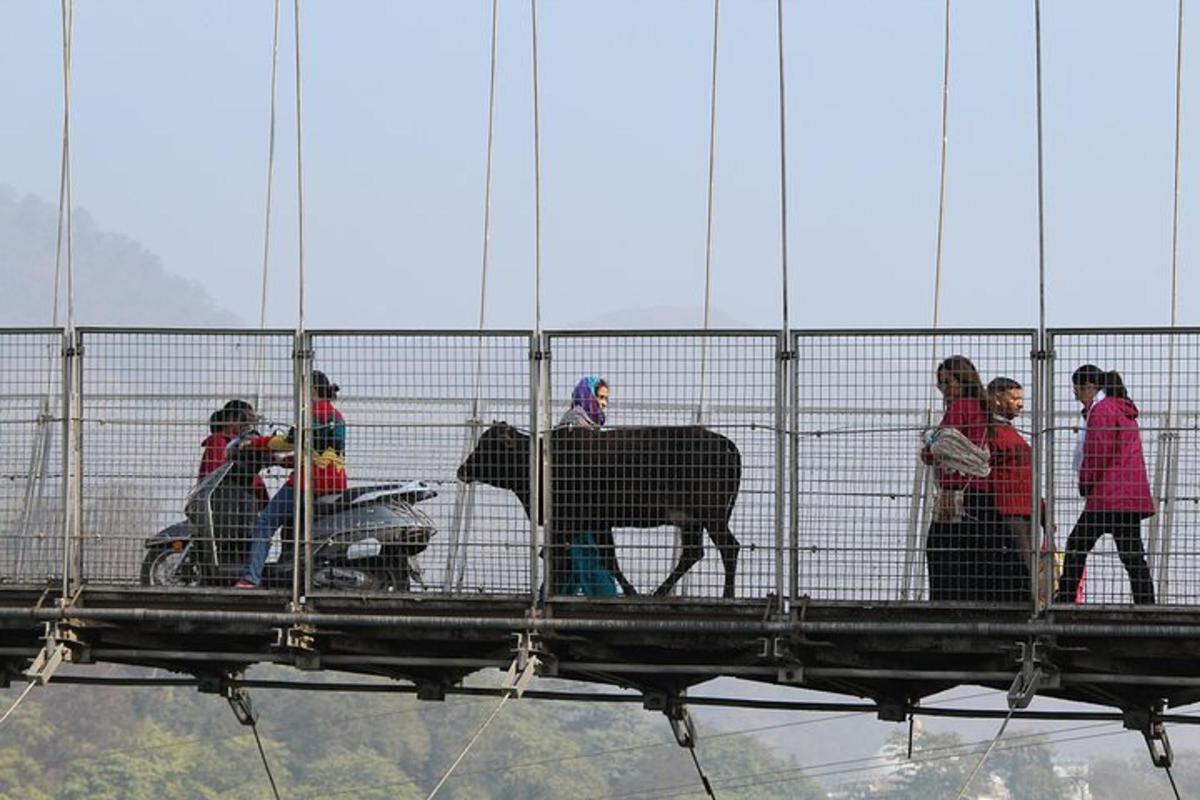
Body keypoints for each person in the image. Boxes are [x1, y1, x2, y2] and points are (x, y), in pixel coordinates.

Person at [234, 371, 347, 588]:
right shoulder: (337, 416)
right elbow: (317, 450)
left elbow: (288, 441)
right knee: (295, 527)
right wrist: (282, 462)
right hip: (336, 482)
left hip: (308, 483)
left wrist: (252, 444)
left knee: (265, 522)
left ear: (312, 389)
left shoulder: (310, 412)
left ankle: (251, 578)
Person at [1054, 365, 1155, 605]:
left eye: (1077, 389)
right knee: (1132, 555)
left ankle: (1065, 599)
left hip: (1107, 494)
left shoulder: (1102, 410)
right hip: (1128, 495)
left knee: (1076, 545)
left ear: (1089, 386)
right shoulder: (1122, 409)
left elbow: (1098, 452)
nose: (1076, 395)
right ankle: (1147, 604)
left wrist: (1085, 482)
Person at [922, 355, 996, 602]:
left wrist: (929, 447)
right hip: (980, 492)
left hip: (959, 494)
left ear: (963, 381)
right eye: (942, 383)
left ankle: (943, 608)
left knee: (941, 553)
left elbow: (939, 447)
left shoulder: (961, 407)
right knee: (970, 559)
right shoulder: (981, 409)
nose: (945, 389)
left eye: (949, 382)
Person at [554, 375, 617, 597]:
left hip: (580, 500)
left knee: (573, 561)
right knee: (585, 553)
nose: (604, 403)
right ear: (587, 395)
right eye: (600, 397)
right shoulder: (575, 421)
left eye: (606, 399)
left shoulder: (586, 420)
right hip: (575, 501)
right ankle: (606, 600)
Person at [986, 377, 1035, 601]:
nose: (1019, 404)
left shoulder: (1005, 431)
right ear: (997, 398)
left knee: (1024, 566)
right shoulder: (992, 431)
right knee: (1022, 567)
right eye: (1014, 398)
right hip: (1008, 508)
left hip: (1022, 508)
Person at [198, 399, 269, 510]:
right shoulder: (219, 440)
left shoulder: (241, 444)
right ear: (231, 418)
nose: (249, 425)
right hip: (225, 501)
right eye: (245, 419)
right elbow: (217, 474)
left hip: (240, 500)